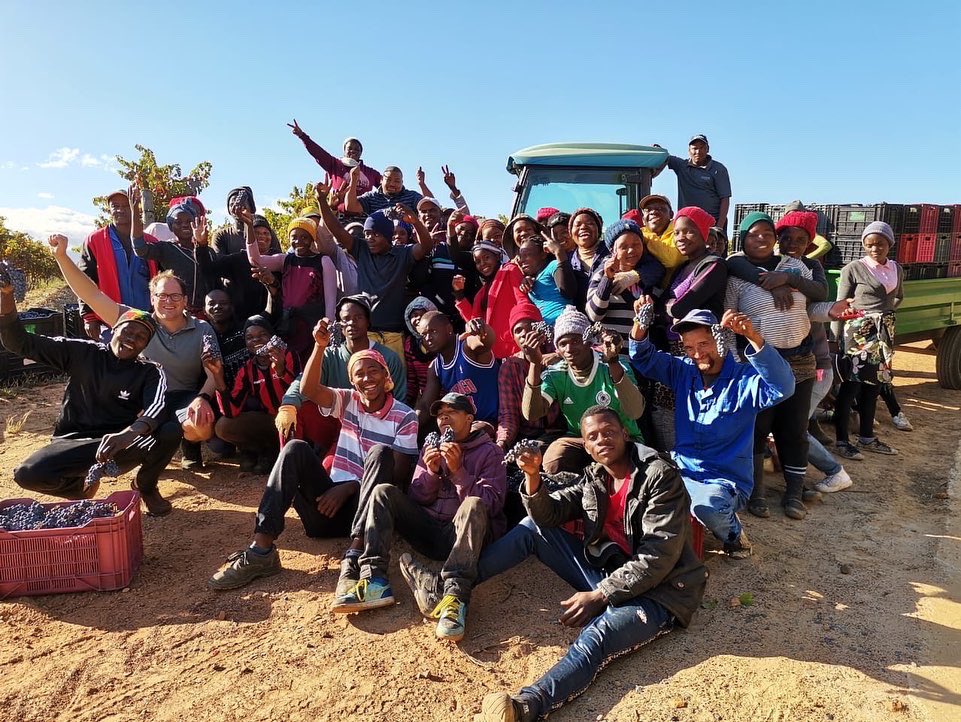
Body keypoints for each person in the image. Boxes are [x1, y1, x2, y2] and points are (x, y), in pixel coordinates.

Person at [455, 406, 706, 722]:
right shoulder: (596, 476)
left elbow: (658, 558)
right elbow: (549, 515)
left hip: (662, 592)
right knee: (534, 530)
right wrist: (533, 477)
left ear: (624, 434)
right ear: (585, 445)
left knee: (597, 635)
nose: (602, 440)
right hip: (614, 572)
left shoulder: (659, 477)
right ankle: (454, 585)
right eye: (593, 436)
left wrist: (600, 594)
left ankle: (526, 707)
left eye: (609, 432)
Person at [208, 323, 418, 591]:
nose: (367, 379)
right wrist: (319, 346)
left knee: (380, 454)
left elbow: (398, 472)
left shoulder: (405, 416)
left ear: (386, 376)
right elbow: (308, 389)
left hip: (367, 512)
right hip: (324, 512)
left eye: (373, 371)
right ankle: (261, 551)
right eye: (359, 374)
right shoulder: (348, 400)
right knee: (295, 448)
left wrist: (349, 487)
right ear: (352, 382)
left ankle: (355, 556)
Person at [334, 393, 507, 643]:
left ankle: (454, 597)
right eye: (440, 414)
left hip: (460, 537)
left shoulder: (490, 452)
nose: (444, 417)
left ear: (469, 419)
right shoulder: (432, 446)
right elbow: (417, 496)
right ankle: (375, 580)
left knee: (474, 504)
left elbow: (491, 506)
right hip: (428, 531)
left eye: (452, 412)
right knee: (383, 492)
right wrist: (432, 472)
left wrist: (458, 472)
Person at [2, 277, 179, 515]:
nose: (131, 339)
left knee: (170, 430)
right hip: (73, 442)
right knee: (27, 474)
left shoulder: (149, 372)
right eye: (127, 331)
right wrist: (6, 296)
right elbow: (20, 343)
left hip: (119, 445)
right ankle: (78, 488)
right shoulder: (82, 353)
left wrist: (128, 434)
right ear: (114, 330)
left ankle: (146, 487)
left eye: (140, 337)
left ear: (145, 345)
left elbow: (156, 408)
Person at [50, 234, 221, 477]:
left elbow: (213, 372)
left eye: (175, 296)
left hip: (184, 395)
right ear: (152, 299)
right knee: (131, 418)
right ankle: (141, 454)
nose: (168, 301)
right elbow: (93, 296)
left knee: (201, 427)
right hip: (141, 398)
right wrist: (62, 257)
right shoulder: (137, 322)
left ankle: (189, 448)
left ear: (185, 300)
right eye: (162, 295)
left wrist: (202, 398)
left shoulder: (202, 328)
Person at [630, 303, 794, 555]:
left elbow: (783, 386)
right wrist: (641, 323)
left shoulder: (744, 380)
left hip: (724, 481)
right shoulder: (683, 371)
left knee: (708, 507)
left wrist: (752, 335)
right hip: (682, 470)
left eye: (703, 344)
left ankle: (735, 536)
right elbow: (643, 358)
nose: (696, 354)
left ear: (721, 341)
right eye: (688, 347)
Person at [725, 212, 839, 520]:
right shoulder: (736, 274)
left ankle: (793, 493)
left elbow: (812, 306)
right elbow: (728, 322)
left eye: (766, 233)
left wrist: (835, 310)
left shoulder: (793, 266)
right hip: (760, 366)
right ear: (743, 238)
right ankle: (757, 492)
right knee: (758, 430)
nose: (760, 238)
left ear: (774, 239)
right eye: (753, 234)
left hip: (800, 362)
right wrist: (736, 365)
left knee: (794, 431)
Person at [315, 178, 435, 362]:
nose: (369, 239)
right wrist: (322, 201)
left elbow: (426, 246)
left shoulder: (402, 254)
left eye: (375, 234)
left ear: (387, 236)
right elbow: (337, 230)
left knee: (394, 384)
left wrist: (415, 222)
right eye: (367, 234)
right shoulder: (361, 250)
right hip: (365, 334)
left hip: (394, 334)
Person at [775, 211, 853, 493]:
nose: (792, 244)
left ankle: (834, 471)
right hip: (785, 365)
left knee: (794, 429)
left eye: (800, 239)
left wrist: (785, 279)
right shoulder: (771, 265)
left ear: (809, 243)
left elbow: (817, 302)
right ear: (778, 239)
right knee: (786, 426)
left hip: (815, 367)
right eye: (786, 238)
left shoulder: (812, 271)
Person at [523, 306, 645, 474]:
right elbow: (532, 413)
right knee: (552, 458)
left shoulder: (613, 366)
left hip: (623, 440)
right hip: (583, 442)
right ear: (557, 349)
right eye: (563, 344)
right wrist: (534, 364)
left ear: (589, 342)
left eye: (575, 341)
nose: (569, 349)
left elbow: (635, 411)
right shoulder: (556, 373)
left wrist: (614, 362)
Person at [833, 221, 904, 458]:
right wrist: (837, 338)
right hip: (858, 334)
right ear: (864, 245)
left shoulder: (897, 269)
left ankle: (867, 437)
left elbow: (898, 297)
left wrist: (884, 315)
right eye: (870, 245)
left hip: (883, 333)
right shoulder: (853, 268)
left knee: (875, 385)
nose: (875, 249)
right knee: (851, 385)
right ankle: (842, 442)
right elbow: (840, 306)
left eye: (880, 244)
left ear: (889, 244)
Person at [207, 315, 298, 474]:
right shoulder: (247, 369)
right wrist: (217, 376)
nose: (256, 340)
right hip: (271, 422)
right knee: (223, 427)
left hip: (297, 420)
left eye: (262, 335)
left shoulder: (289, 355)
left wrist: (281, 370)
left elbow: (302, 390)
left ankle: (283, 453)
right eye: (250, 337)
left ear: (271, 337)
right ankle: (262, 450)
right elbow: (231, 411)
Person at [244, 212, 338, 365]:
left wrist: (328, 330)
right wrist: (249, 226)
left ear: (312, 239)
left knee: (314, 367)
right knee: (290, 367)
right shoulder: (285, 260)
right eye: (294, 237)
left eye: (304, 237)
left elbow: (330, 300)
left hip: (313, 326)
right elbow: (255, 259)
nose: (298, 241)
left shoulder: (323, 261)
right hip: (288, 326)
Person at [78, 188, 155, 341]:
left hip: (145, 321)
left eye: (126, 205)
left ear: (134, 207)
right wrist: (89, 317)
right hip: (109, 321)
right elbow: (85, 280)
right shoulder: (95, 241)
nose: (120, 210)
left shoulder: (151, 242)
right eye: (115, 206)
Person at [130, 186, 210, 315]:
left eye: (189, 221)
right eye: (178, 222)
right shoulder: (166, 249)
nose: (184, 225)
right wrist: (135, 211)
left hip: (205, 315)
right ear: (171, 227)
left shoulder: (207, 252)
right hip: (176, 313)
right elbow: (140, 248)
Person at [586, 218, 665, 343]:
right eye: (623, 246)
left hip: (643, 356)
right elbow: (594, 314)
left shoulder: (649, 277)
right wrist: (607, 280)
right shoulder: (601, 274)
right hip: (613, 358)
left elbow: (656, 321)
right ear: (613, 250)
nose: (631, 250)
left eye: (636, 244)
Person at [416, 312, 499, 427]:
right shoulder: (435, 367)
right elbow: (425, 405)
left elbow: (486, 341)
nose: (428, 338)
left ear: (449, 329)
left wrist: (481, 328)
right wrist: (410, 425)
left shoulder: (466, 346)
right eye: (423, 335)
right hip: (463, 427)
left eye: (433, 331)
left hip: (492, 422)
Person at [496, 303, 559, 451]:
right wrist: (502, 444)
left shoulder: (558, 353)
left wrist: (559, 355)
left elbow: (589, 350)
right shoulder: (509, 368)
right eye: (518, 331)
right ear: (514, 337)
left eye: (531, 326)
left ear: (541, 330)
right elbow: (508, 415)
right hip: (526, 435)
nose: (524, 334)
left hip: (559, 433)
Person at [196, 212, 279, 322]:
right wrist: (201, 245)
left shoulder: (280, 260)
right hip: (242, 323)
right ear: (247, 236)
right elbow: (208, 270)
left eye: (266, 233)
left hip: (275, 322)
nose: (262, 236)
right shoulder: (238, 260)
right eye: (256, 232)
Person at [454, 240, 528, 359]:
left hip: (517, 347)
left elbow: (522, 301)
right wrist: (459, 295)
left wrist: (525, 338)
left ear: (497, 256)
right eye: (477, 261)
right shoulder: (481, 293)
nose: (482, 263)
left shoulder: (510, 271)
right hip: (494, 353)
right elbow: (475, 322)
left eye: (486, 257)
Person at [288, 120, 382, 203]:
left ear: (361, 153)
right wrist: (302, 136)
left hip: (363, 215)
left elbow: (387, 185)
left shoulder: (370, 173)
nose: (353, 151)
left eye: (357, 149)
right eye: (349, 148)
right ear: (344, 150)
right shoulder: (334, 164)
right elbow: (317, 152)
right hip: (338, 214)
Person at [656, 135, 732, 230]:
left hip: (711, 223)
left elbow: (725, 198)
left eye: (701, 148)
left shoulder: (718, 169)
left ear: (707, 149)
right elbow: (665, 156)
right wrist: (657, 150)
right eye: (694, 148)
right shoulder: (681, 166)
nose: (698, 152)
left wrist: (719, 227)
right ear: (689, 151)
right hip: (687, 223)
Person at [516, 235, 573, 326]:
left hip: (564, 323)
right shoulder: (530, 281)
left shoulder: (553, 266)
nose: (522, 260)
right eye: (520, 257)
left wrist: (558, 252)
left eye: (527, 255)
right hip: (546, 330)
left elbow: (568, 291)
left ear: (543, 254)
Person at [564, 208, 607, 307]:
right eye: (577, 225)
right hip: (578, 319)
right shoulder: (566, 260)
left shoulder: (613, 251)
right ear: (571, 233)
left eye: (590, 223)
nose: (583, 227)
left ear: (599, 230)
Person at [635, 194, 687, 273]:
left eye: (660, 208)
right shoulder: (638, 234)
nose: (653, 212)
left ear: (671, 214)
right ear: (643, 220)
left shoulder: (680, 232)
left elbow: (671, 260)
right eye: (648, 210)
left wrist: (646, 237)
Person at [345, 165, 423, 216]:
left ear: (402, 183)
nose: (392, 184)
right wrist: (354, 180)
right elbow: (351, 207)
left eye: (397, 181)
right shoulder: (371, 197)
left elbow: (431, 205)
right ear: (381, 180)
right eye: (388, 180)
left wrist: (422, 184)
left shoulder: (411, 196)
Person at [403, 297, 438, 406]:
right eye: (414, 315)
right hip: (424, 400)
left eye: (423, 314)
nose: (418, 318)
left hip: (445, 397)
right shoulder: (410, 344)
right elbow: (412, 380)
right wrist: (407, 403)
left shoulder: (443, 340)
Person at [211, 186, 257, 255]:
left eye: (243, 205)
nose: (236, 208)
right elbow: (219, 262)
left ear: (250, 207)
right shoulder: (221, 235)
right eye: (232, 205)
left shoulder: (264, 233)